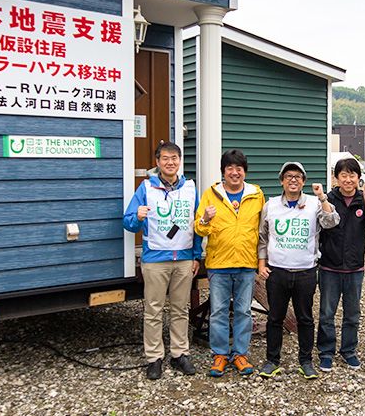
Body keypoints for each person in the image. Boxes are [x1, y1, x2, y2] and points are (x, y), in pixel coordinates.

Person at [123, 141, 201, 380]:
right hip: (155, 259)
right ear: (157, 162)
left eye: (174, 158)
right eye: (165, 158)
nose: (170, 162)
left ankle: (179, 354)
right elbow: (128, 222)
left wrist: (196, 255)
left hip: (184, 259)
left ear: (180, 161)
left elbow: (197, 224)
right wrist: (137, 217)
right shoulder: (146, 187)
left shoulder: (190, 188)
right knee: (153, 310)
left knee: (180, 309)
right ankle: (154, 357)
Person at [257, 162, 339, 379]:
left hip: (305, 272)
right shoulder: (271, 205)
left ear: (303, 181)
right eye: (288, 176)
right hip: (277, 272)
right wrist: (262, 264)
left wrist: (323, 197)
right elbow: (262, 237)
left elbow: (331, 222)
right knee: (275, 318)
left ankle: (306, 361)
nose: (293, 180)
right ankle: (272, 360)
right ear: (281, 181)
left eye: (298, 176)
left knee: (305, 318)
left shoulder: (314, 203)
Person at [195, 149, 265, 377]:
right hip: (219, 264)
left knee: (244, 311)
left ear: (245, 171)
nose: (235, 173)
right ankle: (220, 354)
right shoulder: (211, 194)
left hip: (246, 263)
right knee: (218, 312)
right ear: (223, 171)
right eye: (230, 168)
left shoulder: (256, 195)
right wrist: (205, 218)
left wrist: (262, 260)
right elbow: (199, 228)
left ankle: (240, 354)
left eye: (239, 168)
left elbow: (263, 229)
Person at [317, 157, 365, 372]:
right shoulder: (328, 198)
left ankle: (349, 351)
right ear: (336, 177)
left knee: (352, 314)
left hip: (354, 268)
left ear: (358, 177)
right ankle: (326, 352)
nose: (348, 179)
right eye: (343, 175)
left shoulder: (363, 199)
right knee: (327, 313)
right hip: (329, 267)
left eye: (352, 175)